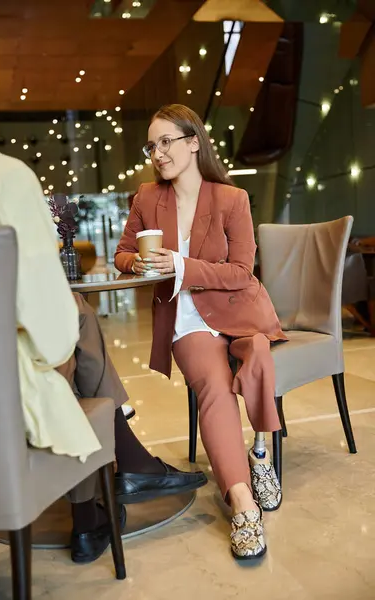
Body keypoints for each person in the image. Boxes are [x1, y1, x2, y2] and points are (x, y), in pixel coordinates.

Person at [0, 21, 207, 565]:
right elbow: (53, 334)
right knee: (69, 345)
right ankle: (104, 494)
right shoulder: (0, 178)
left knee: (75, 323)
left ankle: (101, 502)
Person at [115, 104, 288, 560]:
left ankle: (261, 451)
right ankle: (243, 499)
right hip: (187, 320)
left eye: (165, 141)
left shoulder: (232, 199)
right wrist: (142, 262)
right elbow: (122, 254)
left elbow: (242, 272)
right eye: (151, 145)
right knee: (213, 385)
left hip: (240, 311)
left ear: (194, 142)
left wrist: (182, 264)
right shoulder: (147, 197)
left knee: (259, 356)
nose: (157, 152)